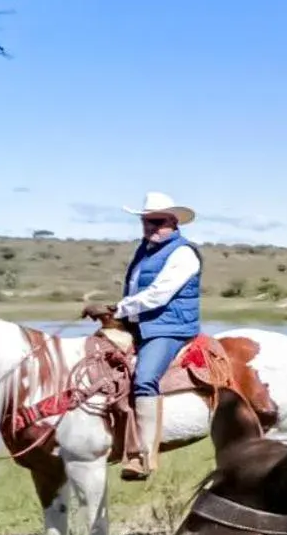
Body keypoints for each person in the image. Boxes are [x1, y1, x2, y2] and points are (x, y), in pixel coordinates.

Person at [84, 191, 202, 481]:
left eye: (157, 222)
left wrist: (118, 308)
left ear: (174, 222)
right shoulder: (145, 250)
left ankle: (143, 455)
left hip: (169, 327)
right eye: (146, 222)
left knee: (145, 377)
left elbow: (159, 294)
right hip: (142, 323)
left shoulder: (183, 253)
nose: (150, 227)